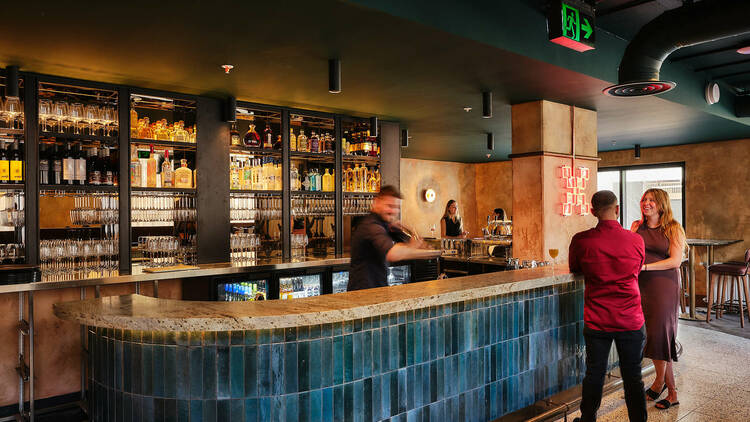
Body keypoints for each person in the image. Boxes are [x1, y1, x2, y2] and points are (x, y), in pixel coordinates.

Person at [569, 190, 647, 422]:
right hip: (630, 318)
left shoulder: (581, 240)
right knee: (633, 376)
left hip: (597, 318)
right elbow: (638, 268)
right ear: (617, 209)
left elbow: (575, 267)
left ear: (593, 212)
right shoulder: (636, 240)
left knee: (594, 373)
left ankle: (588, 419)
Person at [630, 188, 686, 410]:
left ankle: (669, 391)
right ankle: (660, 384)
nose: (646, 203)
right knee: (653, 337)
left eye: (652, 200)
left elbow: (675, 261)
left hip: (664, 286)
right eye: (644, 199)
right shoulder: (636, 226)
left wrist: (644, 267)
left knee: (661, 336)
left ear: (661, 204)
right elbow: (630, 252)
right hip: (641, 287)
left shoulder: (673, 228)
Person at [348, 185, 440, 291]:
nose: (393, 211)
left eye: (397, 207)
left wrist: (406, 230)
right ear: (376, 202)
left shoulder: (383, 225)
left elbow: (412, 243)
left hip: (376, 291)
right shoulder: (371, 226)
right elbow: (392, 254)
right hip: (363, 293)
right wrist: (421, 251)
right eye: (389, 206)